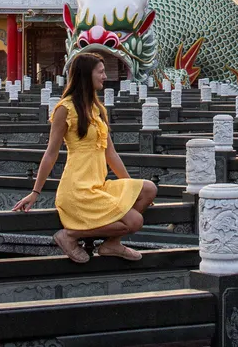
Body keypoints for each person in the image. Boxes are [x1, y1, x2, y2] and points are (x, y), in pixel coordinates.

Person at [13, 53, 157, 263]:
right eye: (100, 72)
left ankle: (111, 244)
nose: (105, 76)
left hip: (98, 186)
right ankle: (70, 235)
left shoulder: (97, 109)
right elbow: (51, 153)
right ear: (85, 75)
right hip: (78, 190)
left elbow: (111, 154)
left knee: (148, 189)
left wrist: (130, 187)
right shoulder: (65, 108)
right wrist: (35, 192)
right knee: (135, 221)